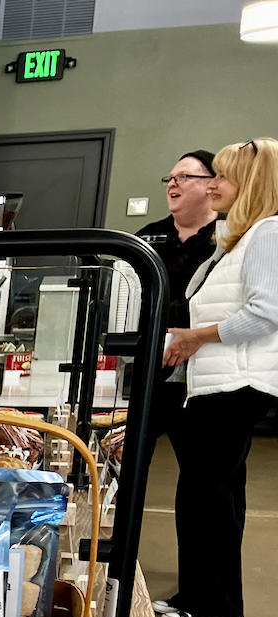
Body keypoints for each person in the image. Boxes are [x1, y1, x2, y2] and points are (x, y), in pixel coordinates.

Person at [158, 138, 278, 617]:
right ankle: (199, 593)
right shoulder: (242, 237)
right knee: (207, 494)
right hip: (215, 384)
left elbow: (265, 314)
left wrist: (194, 337)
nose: (213, 187)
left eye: (222, 178)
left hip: (235, 386)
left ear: (248, 183)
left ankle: (216, 607)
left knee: (210, 495)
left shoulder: (267, 234)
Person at [132, 151, 220, 480]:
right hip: (149, 369)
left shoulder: (231, 238)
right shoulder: (144, 239)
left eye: (184, 176)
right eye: (170, 178)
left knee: (206, 478)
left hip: (204, 371)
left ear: (212, 184)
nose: (173, 183)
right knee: (128, 465)